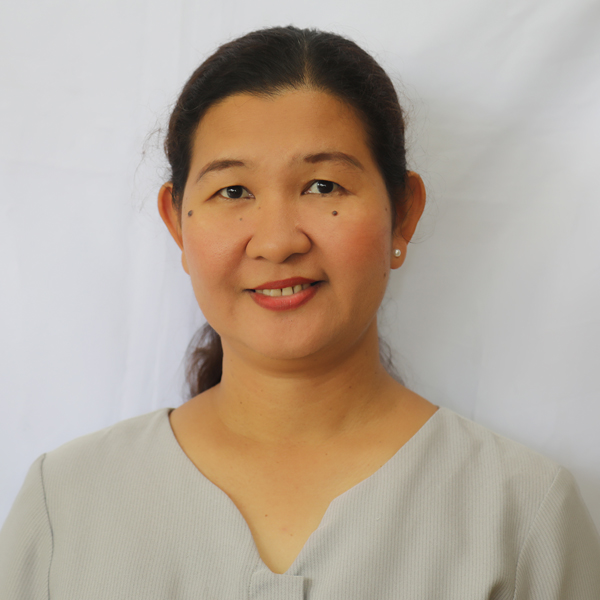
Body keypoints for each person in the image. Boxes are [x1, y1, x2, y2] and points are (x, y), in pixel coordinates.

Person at [1, 25, 599, 599]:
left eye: (323, 186)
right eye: (232, 191)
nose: (277, 241)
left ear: (403, 214)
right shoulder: (66, 503)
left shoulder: (521, 510)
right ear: (176, 224)